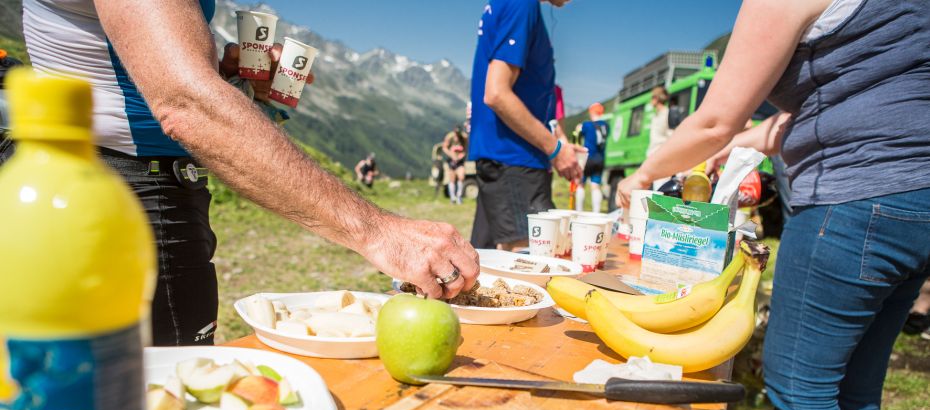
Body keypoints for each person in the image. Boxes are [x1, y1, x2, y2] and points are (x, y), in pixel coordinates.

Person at [616, 1, 930, 410]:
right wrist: (731, 148)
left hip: (852, 197)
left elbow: (715, 119)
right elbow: (793, 120)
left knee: (797, 376)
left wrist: (645, 173)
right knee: (861, 363)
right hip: (918, 195)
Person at [13, 0, 479, 346]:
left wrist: (219, 76)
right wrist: (376, 230)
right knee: (150, 401)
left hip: (137, 183)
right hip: (117, 194)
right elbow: (185, 104)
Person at [468, 0, 584, 251]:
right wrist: (555, 149)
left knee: (484, 257)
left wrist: (559, 142)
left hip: (502, 156)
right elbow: (497, 93)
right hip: (515, 158)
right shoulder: (522, 4)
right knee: (532, 259)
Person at [575, 102, 609, 212]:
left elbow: (578, 131)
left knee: (581, 184)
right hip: (600, 159)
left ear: (592, 112)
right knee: (595, 185)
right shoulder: (606, 126)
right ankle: (596, 212)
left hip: (587, 158)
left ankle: (579, 211)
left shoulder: (587, 125)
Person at [442, 125, 468, 204]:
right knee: (452, 178)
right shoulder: (449, 137)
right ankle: (452, 197)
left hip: (460, 161)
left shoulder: (464, 137)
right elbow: (444, 147)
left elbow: (466, 148)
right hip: (451, 160)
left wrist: (462, 155)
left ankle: (459, 196)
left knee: (461, 177)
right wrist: (451, 155)